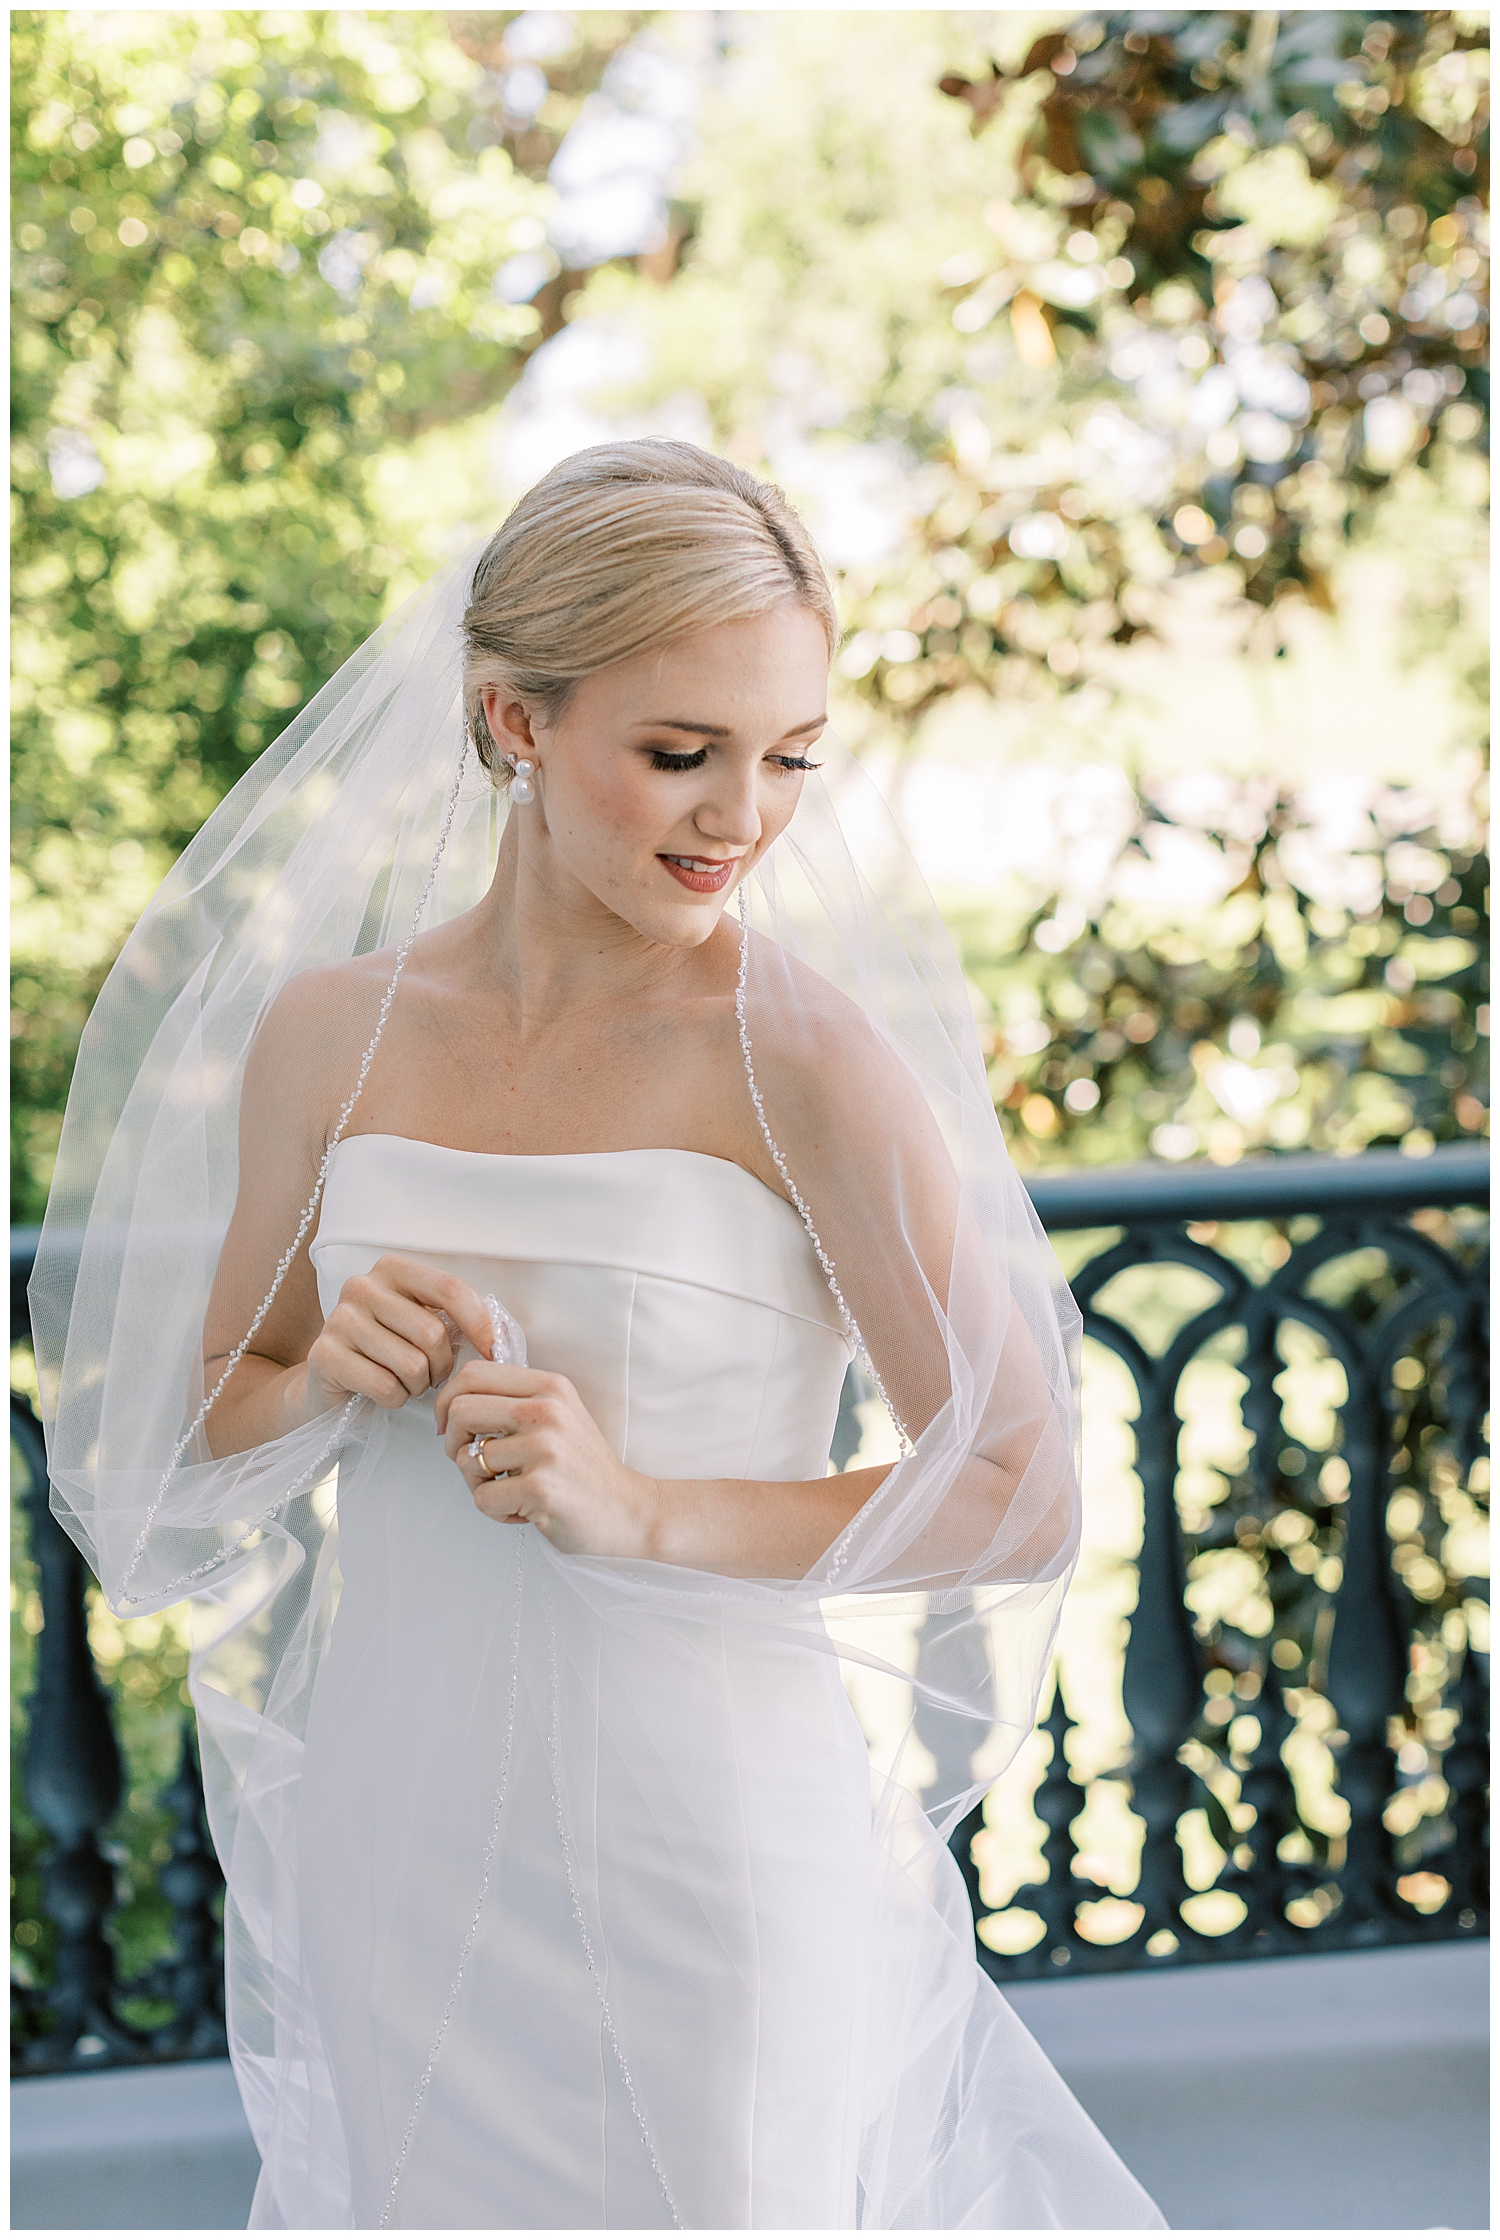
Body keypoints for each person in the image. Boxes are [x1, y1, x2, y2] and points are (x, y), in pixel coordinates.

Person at [32, 441, 1164, 2230]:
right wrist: (325, 1373)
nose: (743, 819)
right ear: (512, 723)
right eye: (679, 753)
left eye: (790, 757)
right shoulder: (328, 1039)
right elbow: (186, 1429)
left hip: (705, 1845)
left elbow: (1021, 1491)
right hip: (401, 1824)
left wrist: (644, 1508)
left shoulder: (804, 1060)